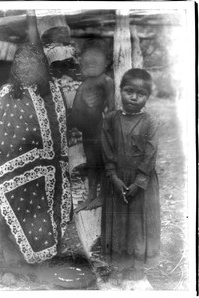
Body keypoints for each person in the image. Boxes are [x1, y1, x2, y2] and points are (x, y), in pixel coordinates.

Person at [0, 10, 72, 265]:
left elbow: (60, 127)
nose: (27, 70)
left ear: (42, 68)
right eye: (22, 66)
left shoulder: (53, 90)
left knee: (48, 209)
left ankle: (46, 258)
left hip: (50, 169)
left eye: (34, 66)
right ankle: (15, 263)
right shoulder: (9, 93)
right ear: (15, 68)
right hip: (14, 167)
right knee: (17, 209)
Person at [101, 68, 160, 280]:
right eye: (128, 91)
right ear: (120, 91)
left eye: (140, 93)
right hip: (117, 179)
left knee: (137, 223)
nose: (133, 97)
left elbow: (150, 154)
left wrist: (139, 182)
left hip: (140, 183)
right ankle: (119, 264)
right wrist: (113, 177)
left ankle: (136, 267)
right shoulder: (110, 119)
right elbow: (107, 151)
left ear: (147, 97)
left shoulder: (150, 122)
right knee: (119, 222)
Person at [72, 38, 115, 212]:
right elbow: (76, 110)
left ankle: (103, 195)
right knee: (91, 163)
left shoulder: (106, 81)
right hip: (88, 132)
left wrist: (107, 125)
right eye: (87, 61)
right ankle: (91, 195)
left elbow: (111, 107)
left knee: (103, 164)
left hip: (101, 131)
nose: (90, 64)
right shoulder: (83, 85)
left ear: (106, 63)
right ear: (81, 62)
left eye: (95, 61)